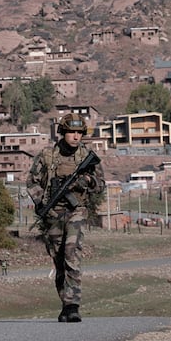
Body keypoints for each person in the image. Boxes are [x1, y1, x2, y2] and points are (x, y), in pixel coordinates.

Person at [27, 112, 104, 323]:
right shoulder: (47, 155)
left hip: (75, 211)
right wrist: (41, 203)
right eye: (72, 132)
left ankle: (73, 304)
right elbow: (32, 182)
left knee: (72, 252)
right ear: (63, 132)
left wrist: (86, 181)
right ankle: (65, 304)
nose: (76, 137)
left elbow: (100, 185)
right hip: (53, 214)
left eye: (80, 133)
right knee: (59, 260)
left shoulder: (86, 157)